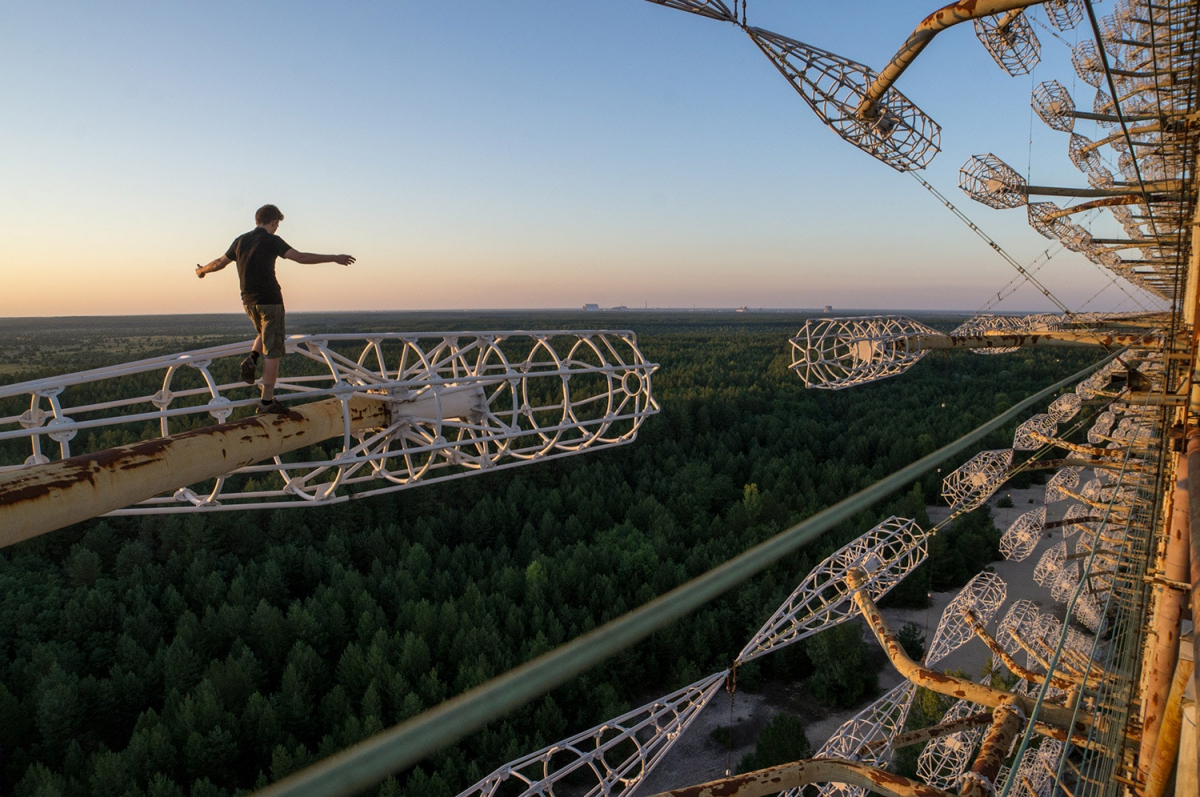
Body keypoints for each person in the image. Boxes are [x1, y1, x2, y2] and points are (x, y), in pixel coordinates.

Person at [195, 204, 355, 414]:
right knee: (273, 351)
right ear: (273, 222)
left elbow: (218, 263)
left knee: (263, 332)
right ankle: (267, 402)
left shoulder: (240, 240)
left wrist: (201, 271)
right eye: (277, 223)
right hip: (270, 300)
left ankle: (252, 357)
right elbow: (301, 257)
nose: (277, 227)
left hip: (248, 301)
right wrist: (334, 258)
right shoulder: (271, 240)